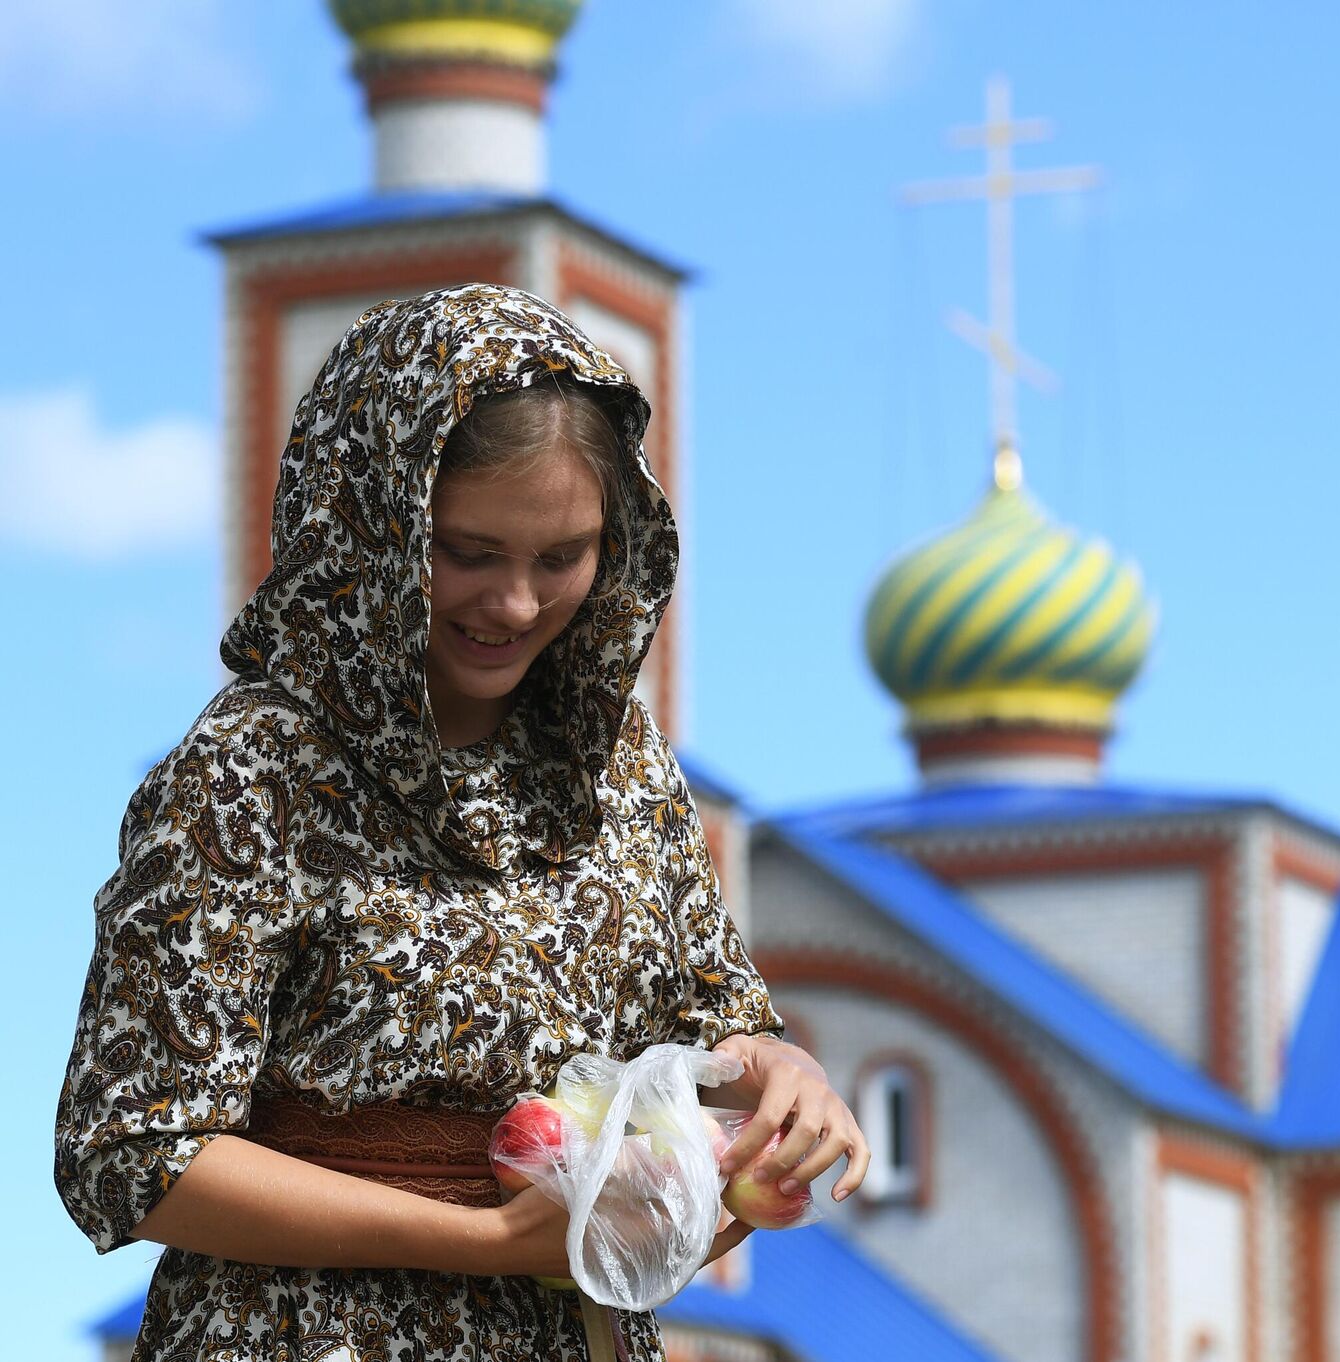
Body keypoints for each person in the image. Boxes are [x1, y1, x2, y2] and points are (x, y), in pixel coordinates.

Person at [53, 283, 867, 1361]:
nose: (518, 604)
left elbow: (715, 1029)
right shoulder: (252, 772)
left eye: (562, 555)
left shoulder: (619, 761)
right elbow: (131, 1151)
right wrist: (474, 1240)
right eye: (469, 553)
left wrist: (784, 1080)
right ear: (365, 523)